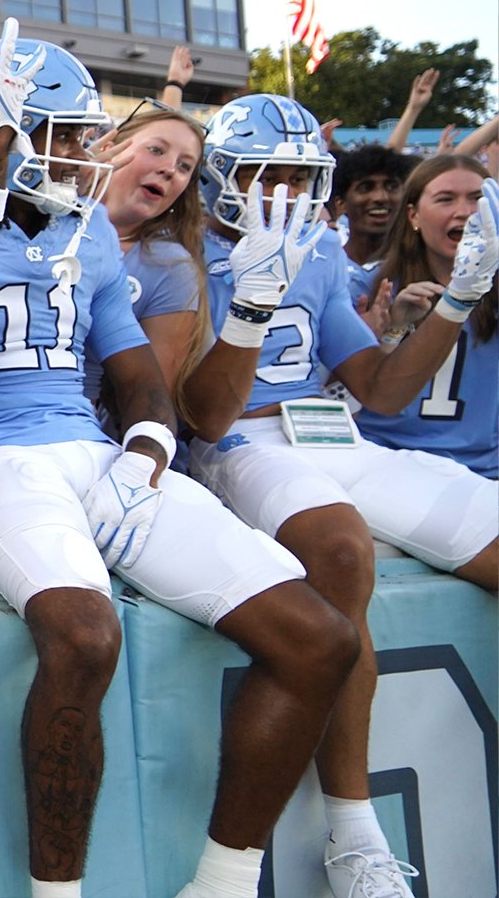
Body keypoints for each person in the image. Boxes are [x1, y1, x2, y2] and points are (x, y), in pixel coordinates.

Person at [0, 15, 355, 898]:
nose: (80, 154)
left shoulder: (89, 230)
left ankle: (221, 882)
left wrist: (148, 436)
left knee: (318, 638)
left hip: (93, 448)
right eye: (61, 136)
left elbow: (137, 366)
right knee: (83, 634)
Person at [181, 93, 496, 897]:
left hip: (329, 432)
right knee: (343, 549)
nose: (283, 192)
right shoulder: (172, 252)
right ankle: (355, 831)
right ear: (223, 175)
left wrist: (459, 299)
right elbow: (209, 415)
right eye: (265, 174)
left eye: (299, 176)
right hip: (232, 440)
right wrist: (248, 303)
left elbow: (381, 393)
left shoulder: (320, 253)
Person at [356, 154, 499, 481]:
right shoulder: (368, 284)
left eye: (477, 199)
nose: (464, 211)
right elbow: (339, 389)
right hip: (384, 460)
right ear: (414, 215)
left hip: (481, 469)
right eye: (446, 199)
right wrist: (391, 331)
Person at [89, 99, 210, 406]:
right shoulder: (37, 221)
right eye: (156, 150)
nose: (170, 169)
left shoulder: (170, 266)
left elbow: (151, 400)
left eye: (185, 166)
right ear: (109, 148)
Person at [332, 143, 415, 271]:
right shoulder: (324, 269)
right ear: (341, 203)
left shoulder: (422, 266)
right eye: (366, 188)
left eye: (391, 186)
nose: (381, 197)